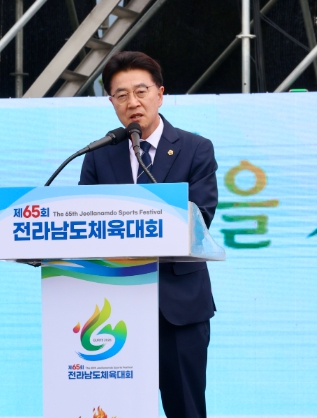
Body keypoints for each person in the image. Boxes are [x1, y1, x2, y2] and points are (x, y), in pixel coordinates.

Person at [78, 51, 218, 418]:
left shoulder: (195, 149)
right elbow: (83, 223)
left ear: (160, 94)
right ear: (111, 102)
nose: (133, 102)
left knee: (185, 409)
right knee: (114, 409)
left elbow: (201, 216)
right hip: (113, 312)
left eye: (141, 91)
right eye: (121, 94)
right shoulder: (98, 156)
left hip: (179, 308)